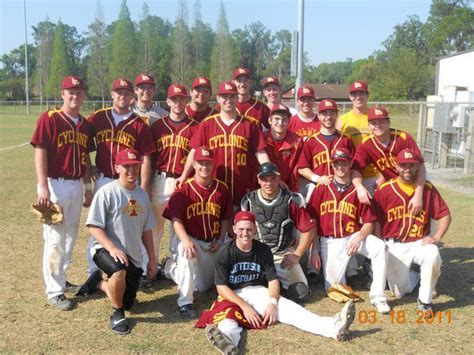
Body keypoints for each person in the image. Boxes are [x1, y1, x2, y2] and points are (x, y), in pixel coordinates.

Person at [203, 211, 355, 353]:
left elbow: (273, 280)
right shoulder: (225, 253)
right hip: (232, 295)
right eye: (241, 229)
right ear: (234, 229)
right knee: (227, 320)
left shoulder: (262, 250)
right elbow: (221, 287)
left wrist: (272, 303)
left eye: (249, 229)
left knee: (291, 310)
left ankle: (333, 327)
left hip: (257, 291)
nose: (245, 233)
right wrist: (244, 306)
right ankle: (228, 343)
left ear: (255, 230)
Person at [31, 75, 94, 310]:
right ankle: (54, 291)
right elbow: (40, 150)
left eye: (79, 92)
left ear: (84, 95)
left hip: (77, 184)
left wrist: (88, 187)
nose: (75, 95)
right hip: (55, 184)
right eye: (71, 91)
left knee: (70, 236)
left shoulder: (85, 125)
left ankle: (60, 278)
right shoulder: (50, 118)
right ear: (62, 94)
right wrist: (43, 185)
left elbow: (86, 159)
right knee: (55, 238)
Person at [86, 78, 156, 276]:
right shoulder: (98, 117)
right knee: (98, 226)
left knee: (133, 226)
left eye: (126, 93)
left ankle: (137, 271)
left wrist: (143, 185)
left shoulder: (138, 124)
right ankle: (93, 272)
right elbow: (81, 143)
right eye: (119, 92)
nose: (122, 96)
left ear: (131, 96)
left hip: (129, 183)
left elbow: (146, 156)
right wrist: (88, 166)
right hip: (103, 179)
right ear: (112, 94)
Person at [306, 148, 390, 314]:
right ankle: (345, 278)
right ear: (332, 165)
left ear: (350, 164)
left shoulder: (358, 190)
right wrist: (314, 250)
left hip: (354, 236)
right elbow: (312, 222)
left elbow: (369, 222)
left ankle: (378, 296)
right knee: (334, 289)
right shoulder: (322, 188)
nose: (340, 167)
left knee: (380, 247)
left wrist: (360, 236)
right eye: (337, 163)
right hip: (331, 241)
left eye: (344, 163)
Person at [85, 148, 157, 335]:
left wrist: (152, 258)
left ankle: (98, 284)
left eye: (135, 166)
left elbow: (147, 229)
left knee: (129, 302)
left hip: (131, 256)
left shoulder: (142, 195)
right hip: (104, 248)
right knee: (119, 272)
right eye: (127, 166)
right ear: (117, 167)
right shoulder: (107, 192)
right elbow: (93, 226)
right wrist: (112, 248)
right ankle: (117, 314)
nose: (131, 170)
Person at [373, 149, 451, 313]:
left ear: (417, 167)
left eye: (411, 165)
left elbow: (445, 215)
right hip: (394, 244)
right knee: (400, 292)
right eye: (403, 165)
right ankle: (416, 275)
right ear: (396, 166)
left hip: (419, 242)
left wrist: (436, 236)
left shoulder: (427, 189)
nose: (407, 169)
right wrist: (380, 243)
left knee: (433, 253)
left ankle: (425, 301)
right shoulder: (385, 189)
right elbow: (376, 221)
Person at [162, 146, 233, 318]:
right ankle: (185, 302)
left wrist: (221, 239)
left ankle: (169, 268)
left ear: (213, 164)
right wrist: (185, 240)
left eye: (208, 163)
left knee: (203, 286)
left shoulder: (222, 189)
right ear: (193, 164)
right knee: (184, 251)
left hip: (215, 242)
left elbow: (225, 218)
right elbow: (176, 220)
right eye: (200, 163)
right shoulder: (183, 190)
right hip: (195, 242)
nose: (204, 167)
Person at [177, 82, 270, 208]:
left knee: (242, 226)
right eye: (224, 96)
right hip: (214, 188)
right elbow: (194, 151)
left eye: (232, 96)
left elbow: (260, 152)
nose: (228, 100)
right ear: (218, 98)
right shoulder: (207, 124)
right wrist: (184, 175)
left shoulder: (249, 125)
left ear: (237, 98)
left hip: (242, 187)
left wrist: (270, 174)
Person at [240, 162, 316, 301]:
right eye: (264, 179)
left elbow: (308, 229)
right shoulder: (249, 201)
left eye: (272, 178)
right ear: (258, 179)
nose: (268, 183)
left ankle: (280, 287)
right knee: (246, 291)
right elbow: (239, 232)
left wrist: (297, 255)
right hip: (257, 255)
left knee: (300, 291)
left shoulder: (290, 200)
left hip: (282, 255)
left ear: (278, 178)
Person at [149, 84, 199, 270]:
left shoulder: (195, 127)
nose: (177, 102)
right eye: (174, 99)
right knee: (155, 226)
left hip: (182, 181)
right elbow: (150, 156)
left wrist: (187, 177)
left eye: (181, 99)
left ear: (186, 101)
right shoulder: (158, 126)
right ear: (168, 101)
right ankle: (151, 266)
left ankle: (176, 267)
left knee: (179, 228)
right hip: (159, 179)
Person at [351, 106, 425, 215]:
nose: (378, 125)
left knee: (421, 216)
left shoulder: (403, 138)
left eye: (381, 121)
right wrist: (359, 187)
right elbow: (355, 169)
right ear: (368, 125)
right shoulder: (366, 144)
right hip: (393, 185)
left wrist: (418, 195)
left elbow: (421, 167)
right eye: (373, 122)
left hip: (414, 182)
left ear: (388, 122)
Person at [297, 99, 354, 199]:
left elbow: (354, 165)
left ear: (336, 115)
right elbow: (302, 168)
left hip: (343, 188)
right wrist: (317, 178)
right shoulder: (311, 141)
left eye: (332, 113)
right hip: (318, 188)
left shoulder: (346, 139)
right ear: (318, 116)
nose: (328, 117)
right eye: (324, 113)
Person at [337, 81, 379, 194]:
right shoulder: (342, 120)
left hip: (373, 175)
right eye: (355, 94)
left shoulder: (375, 117)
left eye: (362, 93)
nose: (358, 97)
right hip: (348, 175)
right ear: (350, 97)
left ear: (367, 95)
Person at [263, 104, 303, 192]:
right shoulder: (261, 139)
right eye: (276, 119)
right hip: (265, 187)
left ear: (289, 121)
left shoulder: (297, 141)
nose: (280, 123)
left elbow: (297, 168)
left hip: (289, 188)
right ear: (270, 120)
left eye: (284, 119)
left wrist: (291, 190)